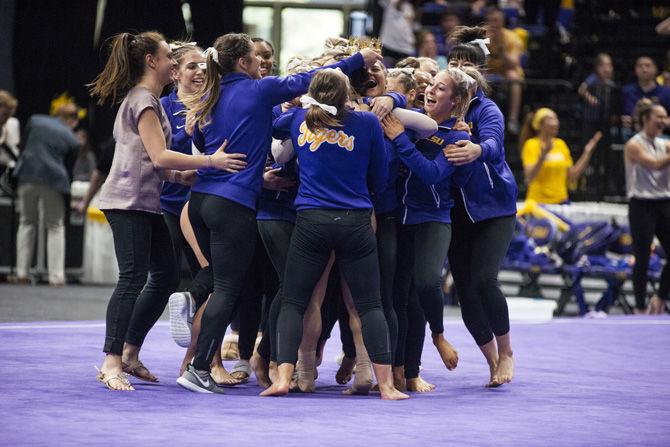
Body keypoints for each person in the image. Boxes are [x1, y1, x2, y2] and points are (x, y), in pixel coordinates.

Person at [175, 32, 381, 394]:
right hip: (232, 202)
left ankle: (194, 300)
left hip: (201, 200)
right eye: (255, 57)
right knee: (228, 288)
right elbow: (310, 81)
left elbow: (202, 142)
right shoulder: (258, 90)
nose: (260, 63)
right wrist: (356, 60)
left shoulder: (209, 95)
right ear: (243, 63)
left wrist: (257, 176)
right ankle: (198, 366)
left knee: (219, 279)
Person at [88, 31, 245, 391]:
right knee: (132, 278)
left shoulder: (152, 100)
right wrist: (210, 162)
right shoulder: (143, 100)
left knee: (166, 275)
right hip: (127, 202)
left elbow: (151, 161)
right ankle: (112, 361)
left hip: (146, 202)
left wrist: (181, 175)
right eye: (168, 57)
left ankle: (129, 352)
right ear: (151, 62)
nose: (173, 63)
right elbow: (158, 155)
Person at [262, 68, 407, 400]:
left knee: (294, 301)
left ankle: (285, 377)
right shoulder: (368, 123)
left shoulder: (299, 119)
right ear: (347, 97)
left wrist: (296, 105)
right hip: (355, 221)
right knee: (370, 304)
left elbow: (274, 127)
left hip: (311, 221)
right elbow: (379, 175)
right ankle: (385, 385)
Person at [382, 67, 475, 392]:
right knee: (398, 298)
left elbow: (432, 174)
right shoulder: (412, 121)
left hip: (433, 219)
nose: (431, 91)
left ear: (457, 100)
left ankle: (438, 336)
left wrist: (399, 141)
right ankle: (400, 370)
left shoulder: (458, 137)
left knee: (424, 284)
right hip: (399, 218)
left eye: (441, 88)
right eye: (431, 85)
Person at [444, 28, 519, 387]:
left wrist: (477, 149)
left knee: (484, 279)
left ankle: (506, 352)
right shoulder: (438, 104)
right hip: (455, 211)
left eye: (467, 64)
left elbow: (493, 141)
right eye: (453, 62)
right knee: (464, 288)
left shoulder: (486, 108)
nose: (459, 68)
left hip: (493, 208)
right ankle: (491, 360)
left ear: (480, 73)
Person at [12, 96, 81, 285]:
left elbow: (23, 147)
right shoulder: (72, 139)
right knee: (55, 226)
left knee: (26, 222)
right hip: (54, 180)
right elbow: (69, 169)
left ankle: (21, 273)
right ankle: (56, 276)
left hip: (26, 175)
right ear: (73, 120)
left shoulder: (35, 120)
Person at [624, 99, 670, 315]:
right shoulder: (634, 144)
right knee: (642, 256)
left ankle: (660, 297)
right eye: (659, 117)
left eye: (665, 117)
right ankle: (640, 307)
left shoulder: (664, 144)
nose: (663, 121)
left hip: (663, 202)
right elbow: (654, 164)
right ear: (646, 119)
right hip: (641, 203)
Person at [520, 107, 603, 204]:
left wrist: (587, 152)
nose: (556, 122)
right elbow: (529, 178)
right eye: (551, 119)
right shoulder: (531, 145)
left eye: (556, 119)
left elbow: (572, 177)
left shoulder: (561, 144)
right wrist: (542, 158)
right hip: (538, 204)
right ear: (539, 125)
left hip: (561, 202)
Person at [485, 7, 524, 133]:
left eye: (496, 21)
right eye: (490, 21)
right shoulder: (482, 37)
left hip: (506, 72)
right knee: (475, 76)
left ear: (502, 22)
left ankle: (513, 119)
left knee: (513, 76)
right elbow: (477, 63)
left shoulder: (512, 37)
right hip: (488, 71)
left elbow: (514, 64)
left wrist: (502, 52)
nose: (493, 24)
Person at [621, 56, 670, 131]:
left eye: (648, 65)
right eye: (640, 66)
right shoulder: (626, 91)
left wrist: (662, 121)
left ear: (655, 69)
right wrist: (622, 120)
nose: (644, 69)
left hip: (660, 135)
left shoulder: (667, 92)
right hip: (631, 132)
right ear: (635, 70)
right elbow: (619, 116)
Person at [0, 90, 20, 180]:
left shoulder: (13, 123)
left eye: (9, 115)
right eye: (5, 115)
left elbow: (14, 149)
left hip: (10, 170)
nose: (6, 120)